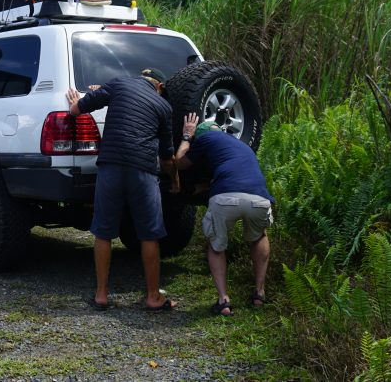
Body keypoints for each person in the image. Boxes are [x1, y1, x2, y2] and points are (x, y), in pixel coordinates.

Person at [66, 69, 177, 312]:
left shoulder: (118, 84)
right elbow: (167, 157)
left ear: (140, 78)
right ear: (159, 87)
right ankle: (153, 296)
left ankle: (101, 295)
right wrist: (175, 179)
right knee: (149, 234)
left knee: (104, 231)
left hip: (111, 166)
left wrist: (75, 103)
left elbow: (77, 110)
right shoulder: (163, 106)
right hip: (143, 170)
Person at [170, 114, 275, 316]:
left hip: (226, 198)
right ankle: (259, 293)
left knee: (216, 245)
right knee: (259, 236)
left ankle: (223, 301)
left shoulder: (206, 139)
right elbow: (234, 173)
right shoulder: (240, 145)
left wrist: (186, 136)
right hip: (259, 198)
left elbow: (180, 163)